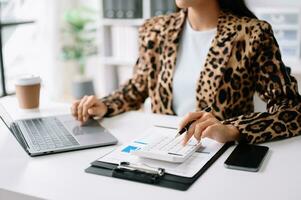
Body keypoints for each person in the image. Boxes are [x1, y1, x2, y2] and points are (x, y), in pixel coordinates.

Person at [71, 0, 301, 145]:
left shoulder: (252, 34)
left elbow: (291, 109)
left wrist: (232, 130)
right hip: (159, 148)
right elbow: (137, 88)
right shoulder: (155, 30)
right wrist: (105, 105)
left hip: (218, 154)